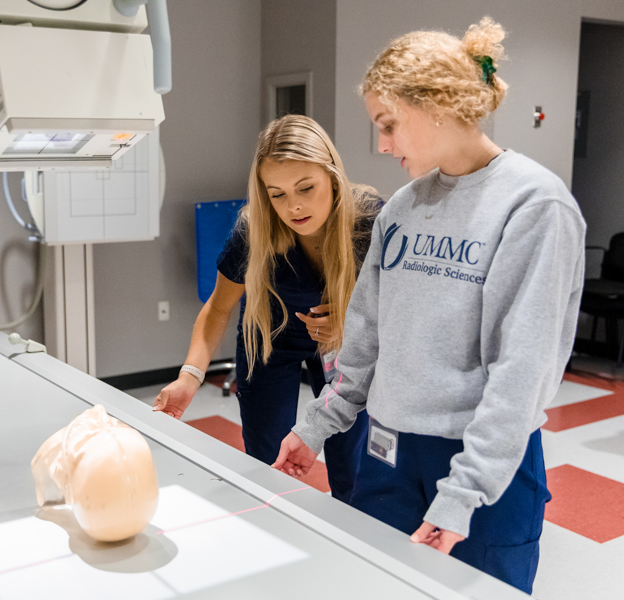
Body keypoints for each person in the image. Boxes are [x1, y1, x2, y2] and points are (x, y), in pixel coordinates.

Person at [273, 18, 585, 593]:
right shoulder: (404, 207)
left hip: (481, 466)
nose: (383, 144)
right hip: (387, 454)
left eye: (389, 125)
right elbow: (364, 335)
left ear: (438, 105)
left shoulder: (534, 207)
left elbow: (522, 372)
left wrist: (462, 495)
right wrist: (317, 425)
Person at [154, 114, 383, 503]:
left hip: (346, 347)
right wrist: (190, 377)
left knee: (353, 468)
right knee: (265, 462)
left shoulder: (369, 221)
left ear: (331, 175)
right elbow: (217, 310)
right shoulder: (254, 229)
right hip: (270, 337)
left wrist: (348, 329)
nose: (293, 207)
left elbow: (399, 313)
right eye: (277, 194)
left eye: (305, 188)